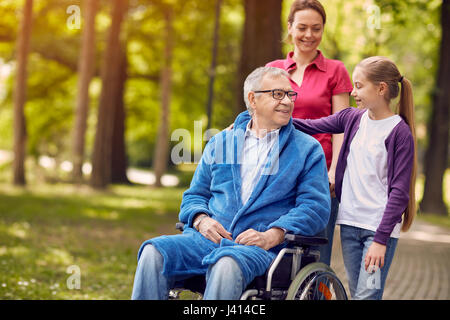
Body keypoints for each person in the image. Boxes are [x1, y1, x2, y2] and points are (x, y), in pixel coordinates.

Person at [131, 66, 331, 300]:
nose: (287, 101)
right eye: (278, 94)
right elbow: (195, 195)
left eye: (290, 94)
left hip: (259, 249)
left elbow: (315, 207)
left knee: (226, 263)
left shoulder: (307, 149)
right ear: (252, 99)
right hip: (204, 241)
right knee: (154, 251)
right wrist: (200, 219)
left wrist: (272, 235)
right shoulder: (222, 142)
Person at [292, 56, 417, 299]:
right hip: (350, 225)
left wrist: (380, 241)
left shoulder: (399, 132)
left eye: (359, 86)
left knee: (367, 296)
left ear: (381, 89)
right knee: (356, 292)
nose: (353, 92)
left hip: (377, 231)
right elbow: (309, 126)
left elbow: (400, 193)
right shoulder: (352, 118)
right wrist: (258, 120)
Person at [265, 0, 353, 266]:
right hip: (276, 172)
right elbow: (261, 118)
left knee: (315, 256)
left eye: (316, 28)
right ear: (290, 27)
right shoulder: (273, 70)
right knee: (273, 249)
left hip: (319, 176)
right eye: (302, 27)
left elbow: (342, 125)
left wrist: (335, 170)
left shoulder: (336, 70)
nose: (309, 35)